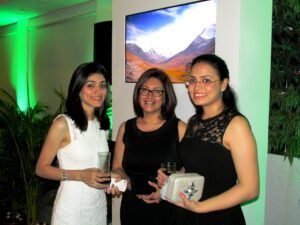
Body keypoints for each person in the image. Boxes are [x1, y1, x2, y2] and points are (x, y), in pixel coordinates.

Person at [158, 54, 259, 225]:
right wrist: (174, 178)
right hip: (187, 212)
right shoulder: (193, 122)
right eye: (192, 80)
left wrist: (201, 207)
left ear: (223, 84)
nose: (197, 87)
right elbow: (198, 169)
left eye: (206, 80)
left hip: (218, 216)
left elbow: (250, 189)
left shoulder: (236, 125)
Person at [35, 62, 113, 225]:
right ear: (78, 89)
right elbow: (41, 169)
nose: (98, 91)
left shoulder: (102, 125)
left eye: (102, 85)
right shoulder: (63, 124)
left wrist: (110, 181)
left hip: (97, 208)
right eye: (90, 85)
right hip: (71, 211)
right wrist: (79, 175)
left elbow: (95, 167)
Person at [112, 68, 186, 225]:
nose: (149, 95)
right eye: (144, 90)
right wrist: (125, 183)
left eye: (157, 91)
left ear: (166, 97)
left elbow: (190, 169)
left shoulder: (179, 128)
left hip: (167, 208)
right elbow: (117, 167)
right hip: (132, 208)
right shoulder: (126, 127)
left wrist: (167, 191)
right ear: (138, 94)